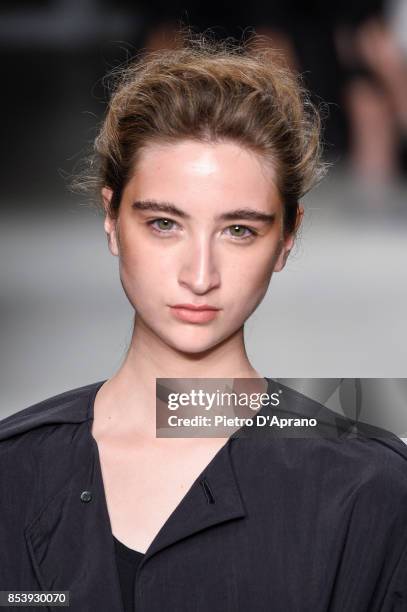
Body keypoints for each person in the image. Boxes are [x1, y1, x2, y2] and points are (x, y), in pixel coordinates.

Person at [1, 32, 407, 612]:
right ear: (112, 220)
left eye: (239, 230)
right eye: (164, 223)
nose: (200, 274)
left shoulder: (369, 493)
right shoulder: (14, 473)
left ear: (287, 239)